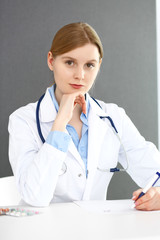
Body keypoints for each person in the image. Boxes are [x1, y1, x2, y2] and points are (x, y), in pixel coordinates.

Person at [8, 22, 160, 210]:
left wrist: (157, 194)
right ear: (51, 61)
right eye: (69, 62)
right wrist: (59, 124)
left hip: (95, 231)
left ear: (99, 65)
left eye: (89, 65)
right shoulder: (23, 120)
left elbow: (155, 170)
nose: (80, 75)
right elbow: (34, 197)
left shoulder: (112, 117)